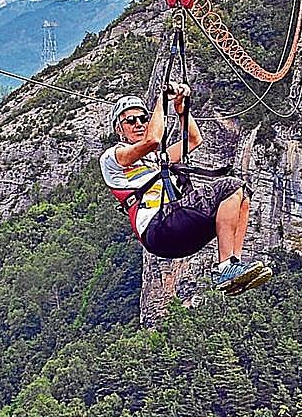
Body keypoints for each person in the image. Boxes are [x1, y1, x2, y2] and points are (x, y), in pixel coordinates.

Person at [99, 86, 270, 295]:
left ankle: (233, 264)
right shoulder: (112, 158)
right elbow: (152, 141)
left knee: (243, 194)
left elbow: (193, 140)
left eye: (143, 118)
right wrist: (161, 101)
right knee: (230, 187)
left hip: (178, 234)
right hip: (158, 226)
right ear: (119, 128)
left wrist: (182, 110)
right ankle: (225, 267)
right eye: (131, 121)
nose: (139, 124)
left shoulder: (155, 160)